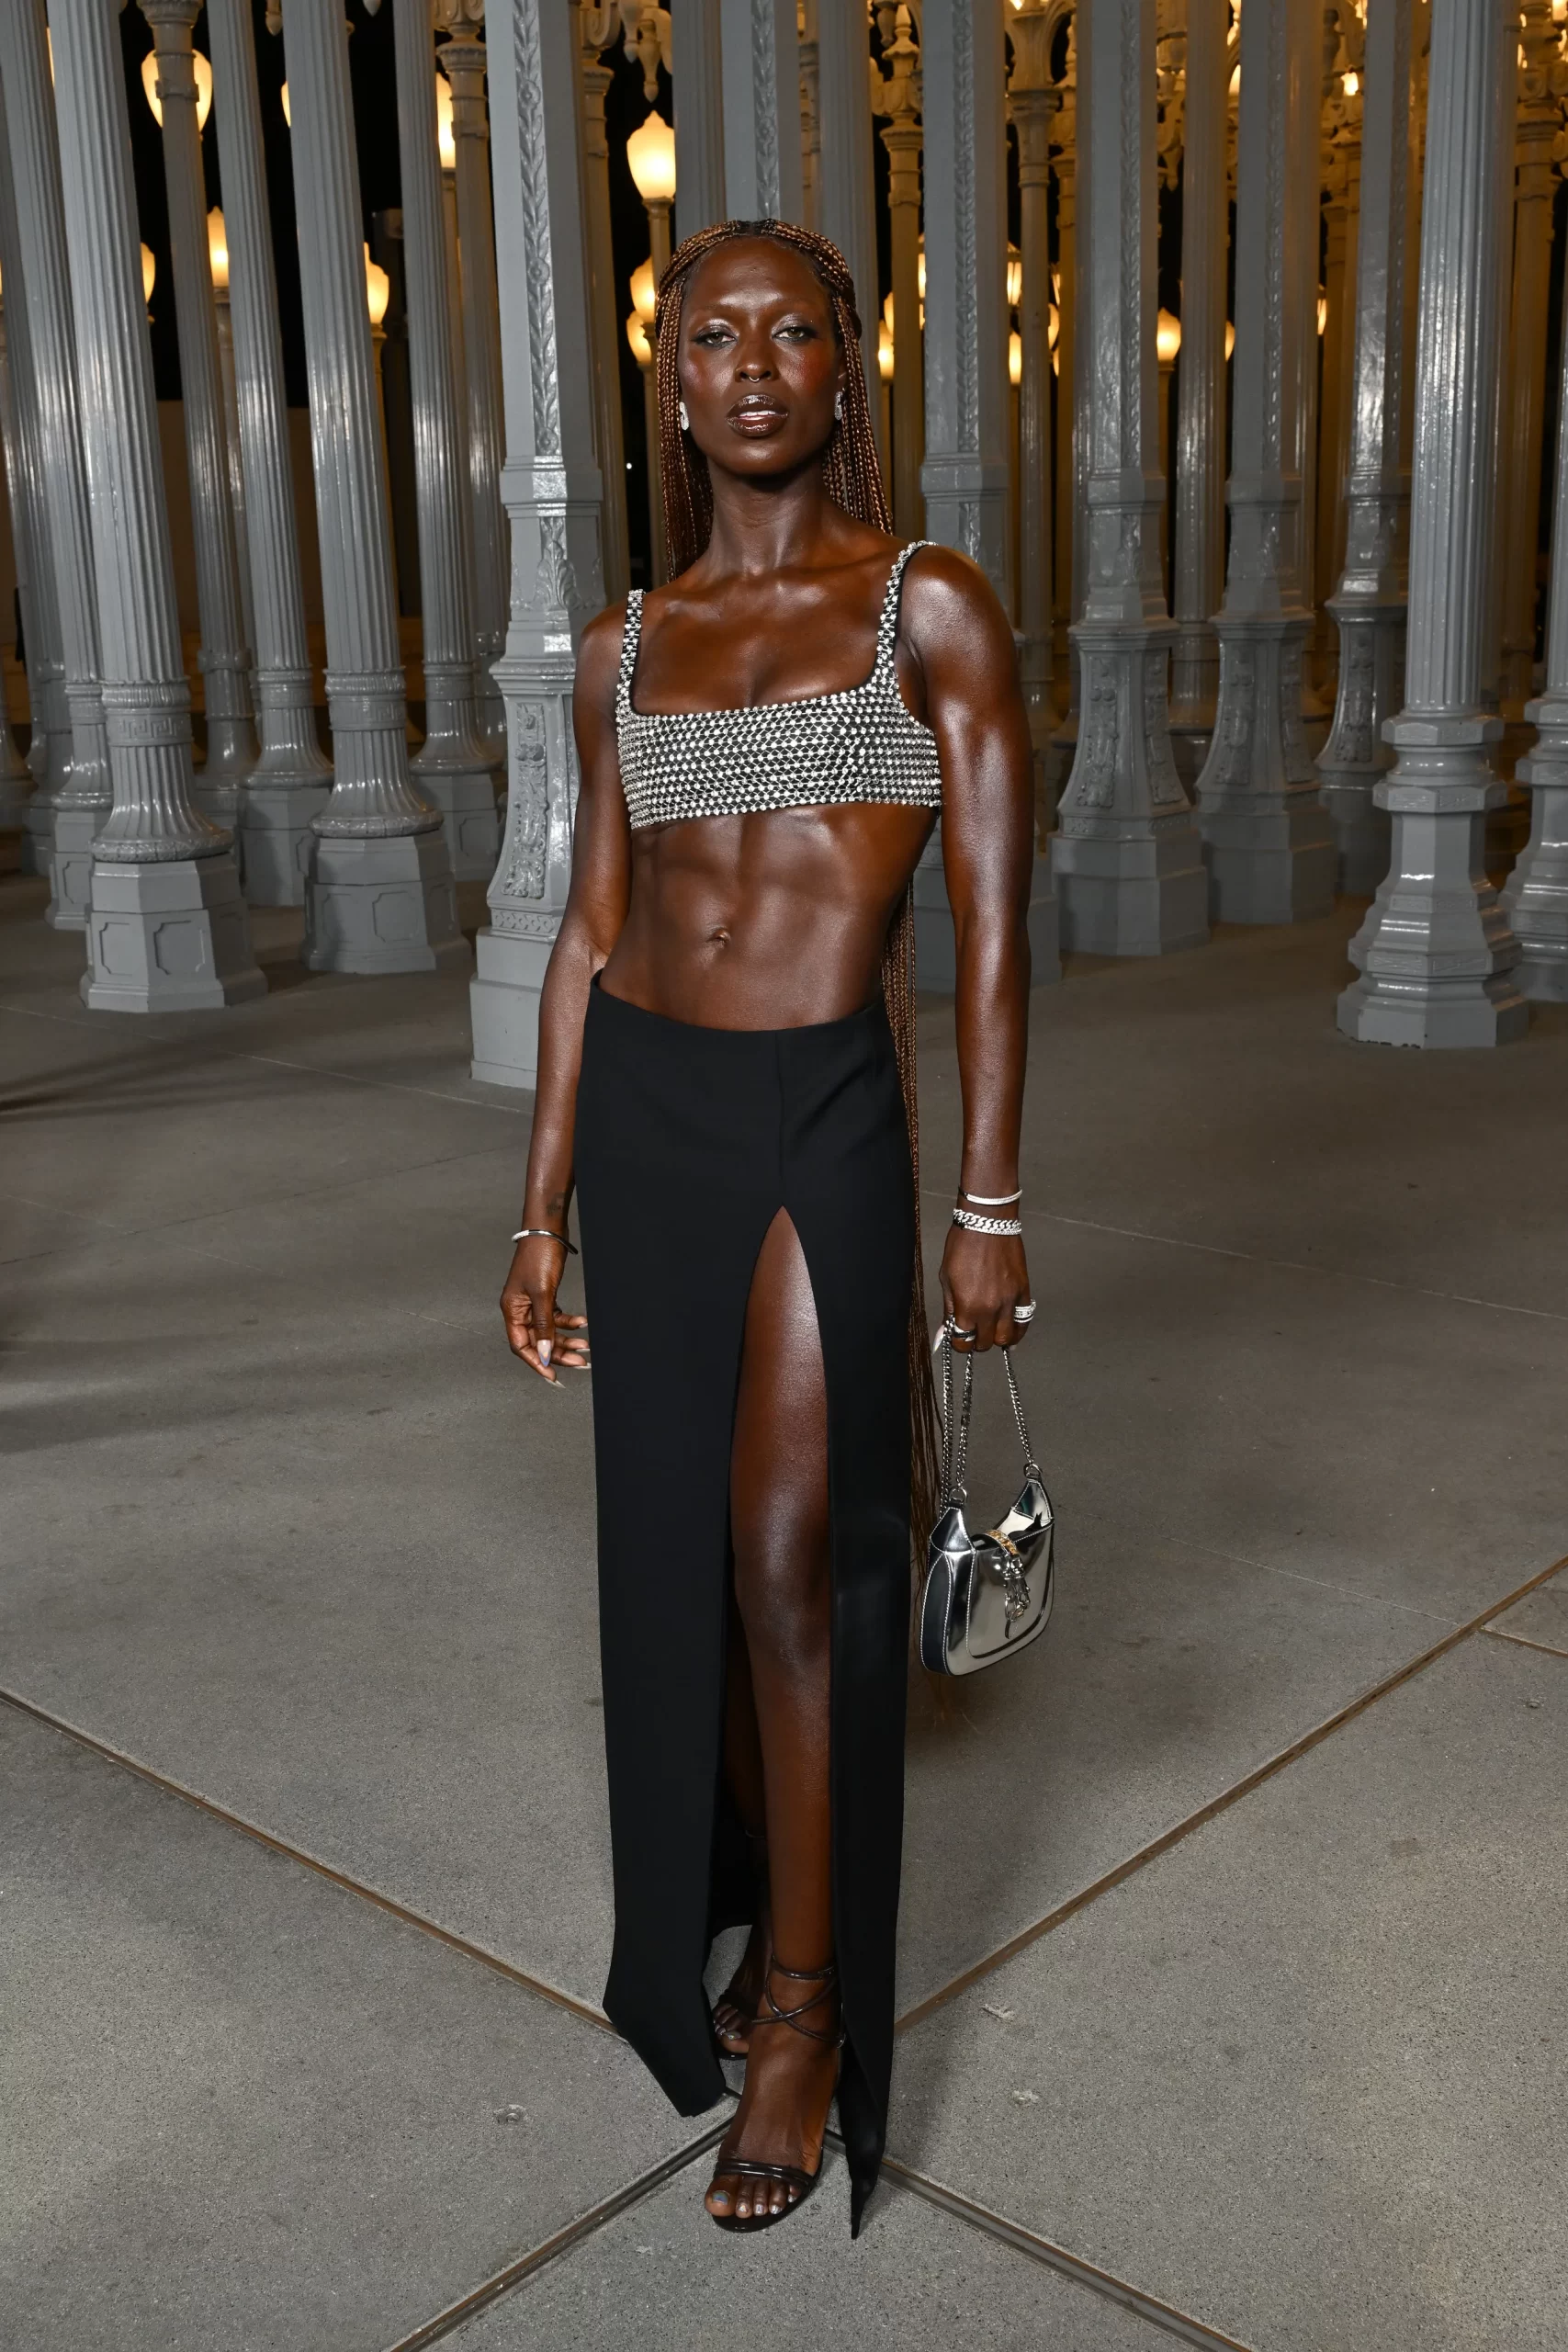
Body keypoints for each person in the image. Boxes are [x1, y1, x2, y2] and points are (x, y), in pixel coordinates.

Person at [500, 218, 1034, 2238]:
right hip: (644, 1108)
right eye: (707, 335)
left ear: (844, 367)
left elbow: (987, 933)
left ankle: (808, 2006)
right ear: (669, 377)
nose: (748, 366)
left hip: (818, 1103)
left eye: (786, 332)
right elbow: (588, 929)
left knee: (800, 1543)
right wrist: (537, 1196)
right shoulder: (620, 647)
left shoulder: (925, 607)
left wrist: (986, 1201)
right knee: (686, 1557)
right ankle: (723, 1910)